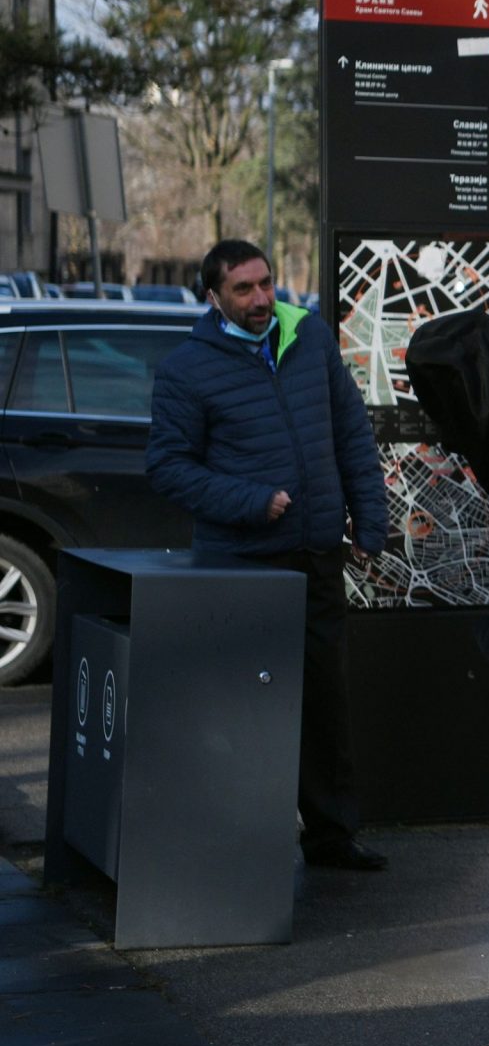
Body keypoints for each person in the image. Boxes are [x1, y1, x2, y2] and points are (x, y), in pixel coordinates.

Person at [147, 240, 388, 872]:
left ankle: (332, 836)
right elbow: (168, 467)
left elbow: (351, 434)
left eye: (265, 284)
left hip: (315, 555)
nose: (260, 300)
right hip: (242, 564)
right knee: (244, 709)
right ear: (214, 298)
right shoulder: (187, 369)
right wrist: (251, 501)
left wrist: (370, 520)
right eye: (243, 290)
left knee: (325, 703)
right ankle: (241, 847)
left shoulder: (308, 339)